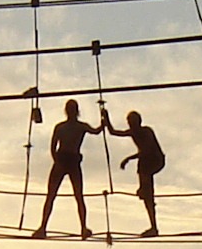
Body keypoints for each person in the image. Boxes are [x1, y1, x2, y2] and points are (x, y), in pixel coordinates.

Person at [31, 98, 104, 239]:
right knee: (63, 196)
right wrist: (103, 122)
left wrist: (104, 120)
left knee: (65, 196)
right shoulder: (73, 127)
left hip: (67, 160)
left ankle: (48, 227)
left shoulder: (68, 127)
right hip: (67, 160)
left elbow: (53, 147)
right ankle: (44, 227)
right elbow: (96, 131)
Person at [108, 108, 166, 237]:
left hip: (156, 160)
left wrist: (128, 159)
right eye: (129, 122)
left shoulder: (146, 131)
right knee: (146, 189)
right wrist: (106, 118)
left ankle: (144, 189)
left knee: (143, 166)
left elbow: (147, 150)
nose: (130, 125)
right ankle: (153, 225)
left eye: (132, 122)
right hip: (146, 162)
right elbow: (114, 132)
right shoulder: (133, 132)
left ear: (138, 122)